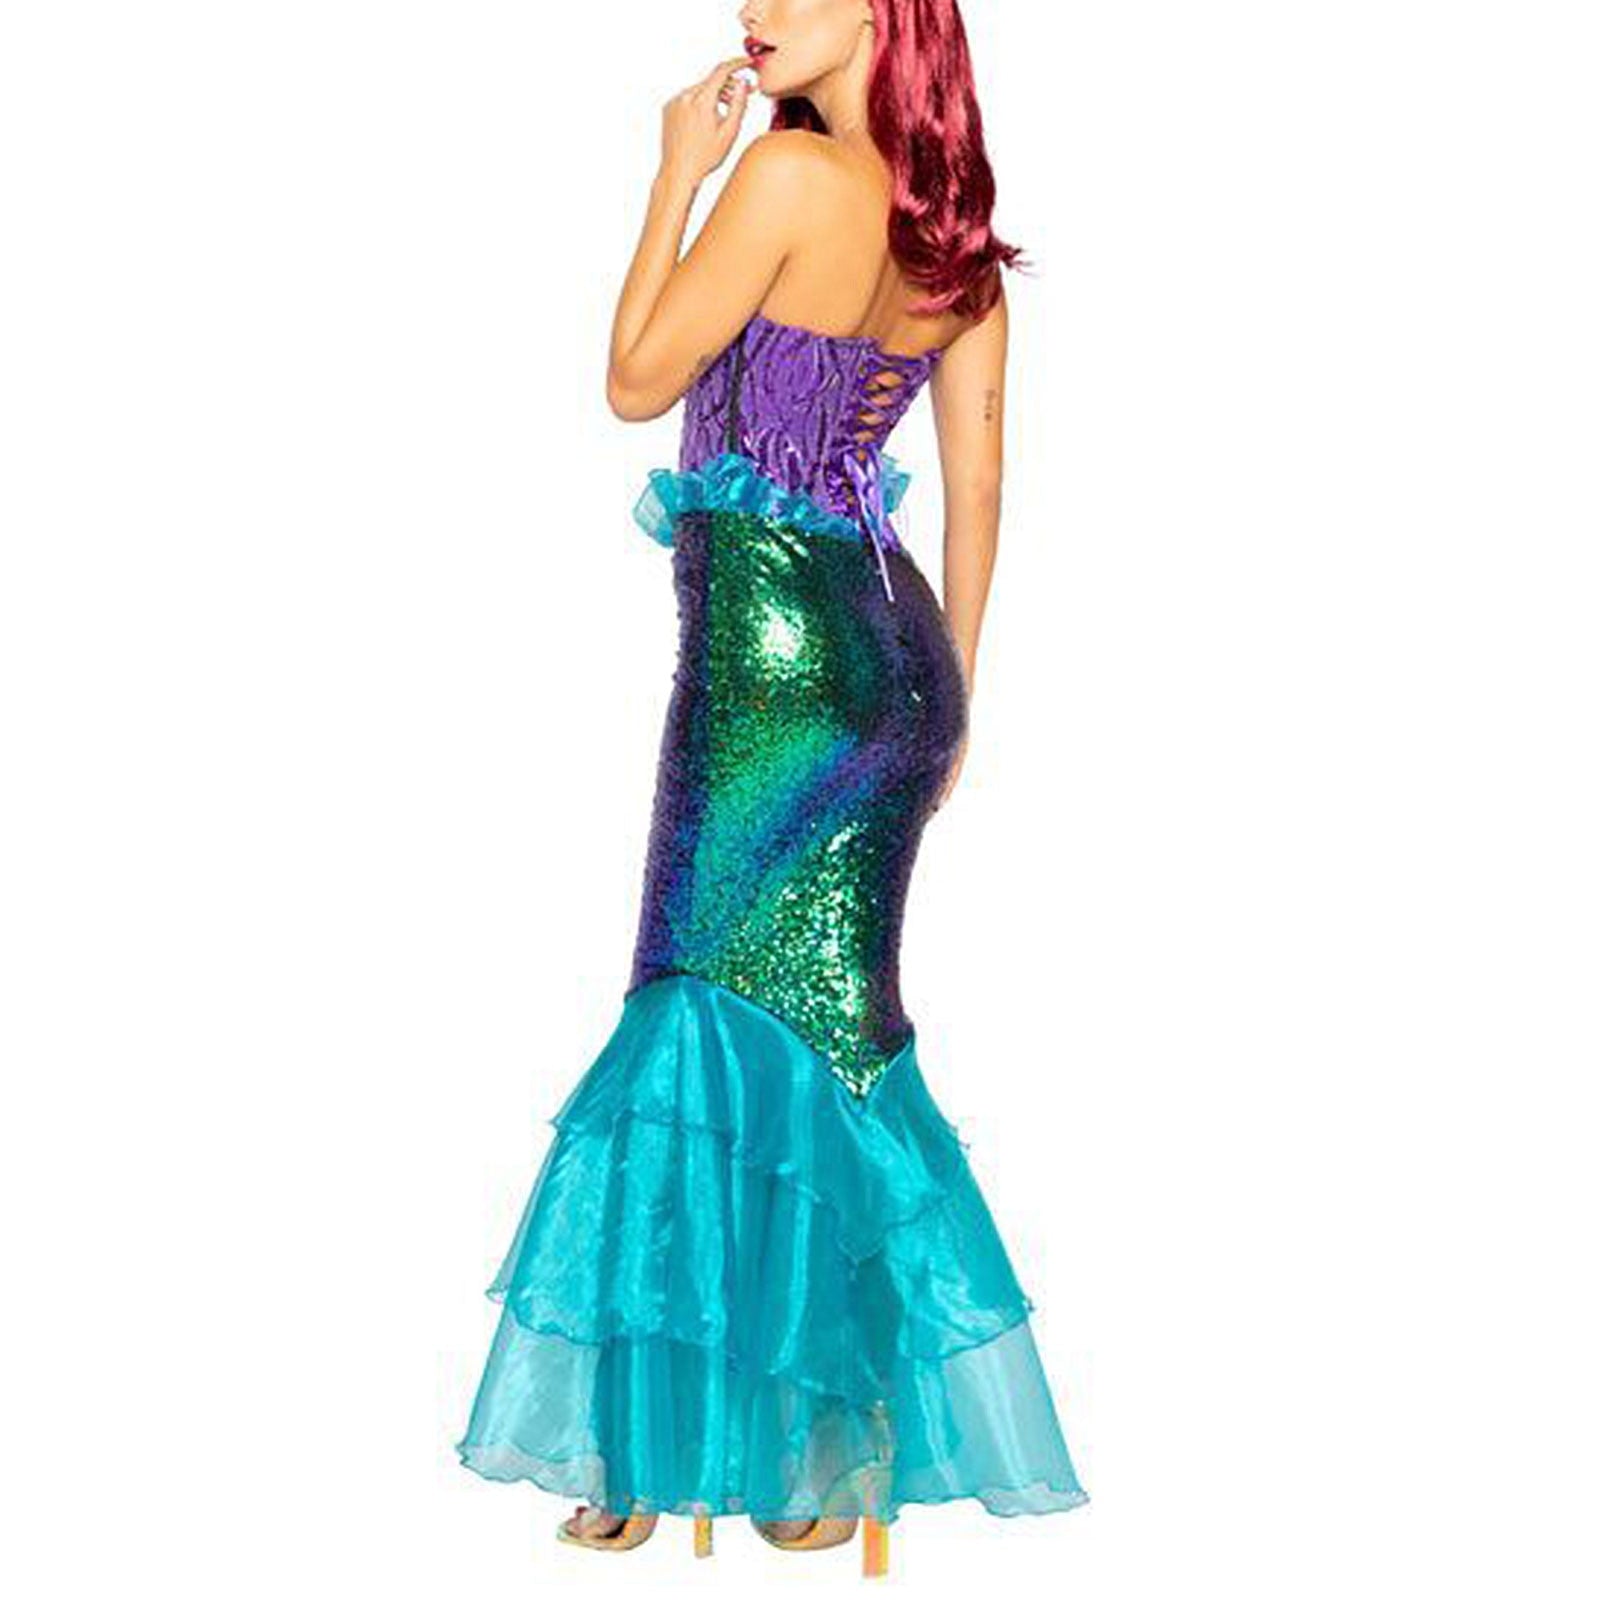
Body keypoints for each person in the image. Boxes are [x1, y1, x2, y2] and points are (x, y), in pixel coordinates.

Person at [456, 1, 1089, 1576]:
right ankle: (814, 1461)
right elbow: (981, 489)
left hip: (769, 674)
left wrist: (674, 173)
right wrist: (952, 711)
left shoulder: (787, 180)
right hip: (899, 675)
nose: (752, 8)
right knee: (830, 1036)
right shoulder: (955, 248)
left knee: (689, 1011)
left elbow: (635, 378)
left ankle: (647, 1459)